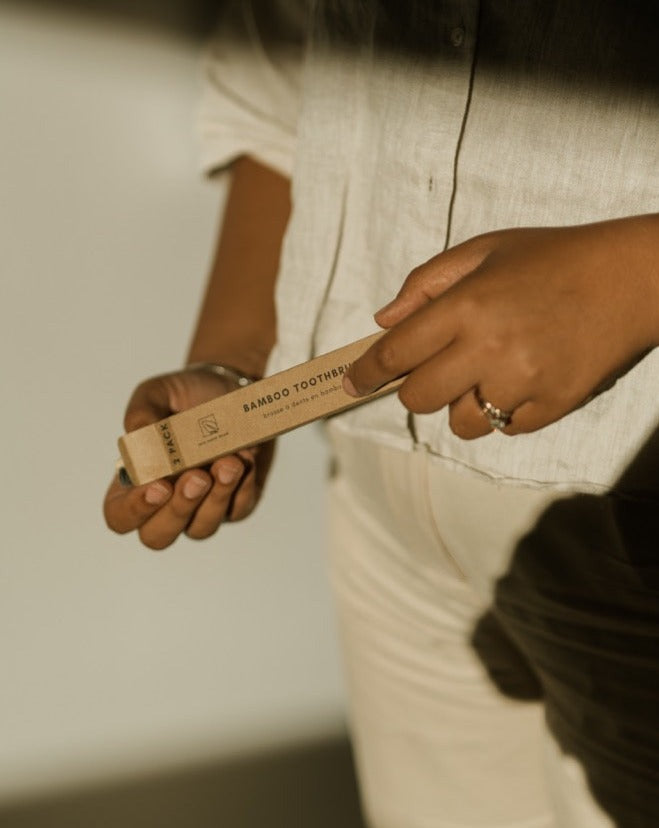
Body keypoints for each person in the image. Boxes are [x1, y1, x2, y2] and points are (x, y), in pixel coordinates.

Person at [104, 2, 659, 825]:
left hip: (633, 492)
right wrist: (231, 367)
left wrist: (636, 275)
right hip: (382, 508)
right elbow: (280, 80)